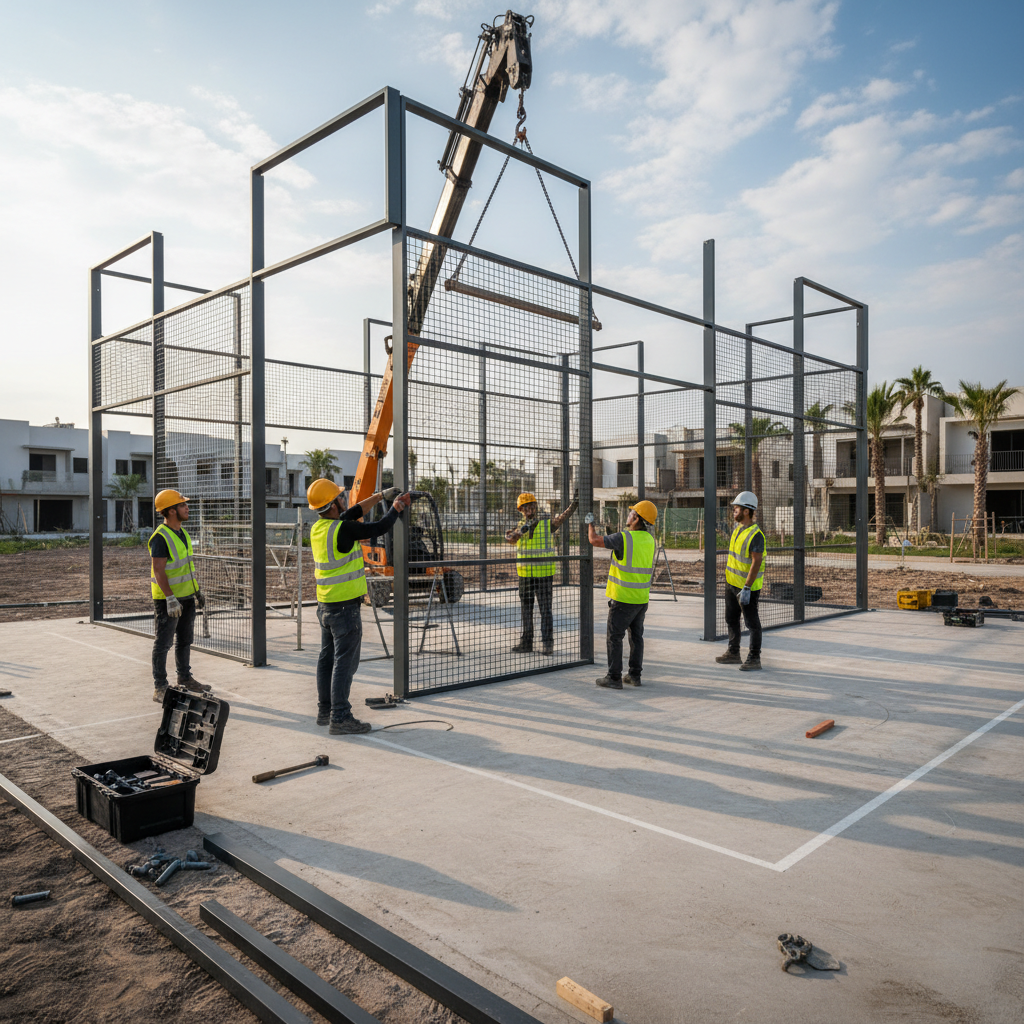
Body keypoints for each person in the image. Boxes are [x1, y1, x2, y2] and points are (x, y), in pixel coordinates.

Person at [308, 479, 412, 735]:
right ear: (333, 505)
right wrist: (395, 508)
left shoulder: (320, 528)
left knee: (327, 659)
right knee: (344, 663)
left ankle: (325, 710)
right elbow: (378, 527)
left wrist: (379, 496)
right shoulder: (343, 530)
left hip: (325, 606)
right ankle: (340, 717)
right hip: (345, 609)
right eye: (340, 498)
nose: (344, 501)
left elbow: (353, 512)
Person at [585, 499, 657, 689]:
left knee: (614, 637)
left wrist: (590, 523)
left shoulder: (625, 538)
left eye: (631, 512)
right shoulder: (650, 540)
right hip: (641, 598)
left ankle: (614, 677)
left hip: (623, 598)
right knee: (636, 637)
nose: (628, 514)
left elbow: (594, 540)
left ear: (636, 519)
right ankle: (634, 676)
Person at [149, 489, 209, 703]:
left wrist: (196, 591)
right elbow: (159, 570)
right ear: (172, 510)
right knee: (163, 643)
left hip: (186, 597)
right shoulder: (160, 537)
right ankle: (160, 686)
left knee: (185, 640)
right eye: (183, 505)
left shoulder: (182, 533)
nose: (187, 507)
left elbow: (186, 567)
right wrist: (170, 598)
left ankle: (184, 677)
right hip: (168, 600)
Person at [505, 490, 578, 655]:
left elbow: (562, 518)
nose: (529, 509)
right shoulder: (519, 527)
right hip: (525, 575)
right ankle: (526, 642)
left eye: (531, 505)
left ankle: (547, 644)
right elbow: (512, 540)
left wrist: (573, 506)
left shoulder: (546, 524)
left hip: (544, 574)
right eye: (525, 507)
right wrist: (511, 536)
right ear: (521, 509)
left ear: (535, 506)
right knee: (526, 610)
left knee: (545, 609)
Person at [716, 490, 765, 671]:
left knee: (752, 623)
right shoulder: (738, 530)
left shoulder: (756, 535)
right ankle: (733, 652)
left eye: (736, 508)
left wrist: (747, 587)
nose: (733, 511)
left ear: (746, 511)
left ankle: (754, 657)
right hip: (731, 584)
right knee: (731, 618)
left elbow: (756, 562)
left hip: (747, 588)